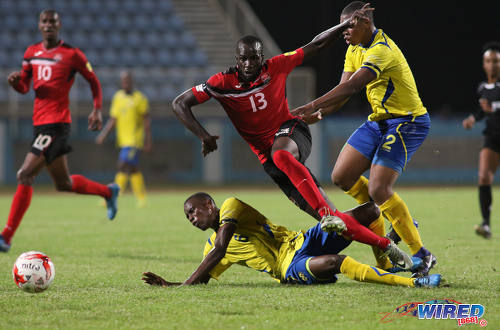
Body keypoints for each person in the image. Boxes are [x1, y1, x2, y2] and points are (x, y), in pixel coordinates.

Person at [171, 5, 412, 269]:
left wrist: (344, 26)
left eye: (255, 58)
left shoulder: (276, 65)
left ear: (263, 57)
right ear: (237, 59)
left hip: (292, 132)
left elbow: (316, 45)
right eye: (245, 59)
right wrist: (203, 135)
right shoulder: (221, 83)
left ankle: (326, 212)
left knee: (283, 154)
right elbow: (180, 103)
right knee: (334, 225)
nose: (250, 64)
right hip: (269, 161)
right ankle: (387, 246)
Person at [291, 1, 435, 276]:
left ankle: (422, 255)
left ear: (366, 23)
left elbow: (354, 85)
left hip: (408, 122)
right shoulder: (354, 48)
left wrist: (310, 105)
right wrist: (320, 112)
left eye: (349, 26)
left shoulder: (382, 50)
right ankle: (394, 218)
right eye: (342, 26)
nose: (343, 31)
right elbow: (343, 92)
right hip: (379, 122)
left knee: (379, 189)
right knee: (341, 177)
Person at [0, 10, 119, 253]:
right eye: (44, 22)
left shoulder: (72, 54)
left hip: (57, 125)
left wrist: (97, 110)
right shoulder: (31, 53)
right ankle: (108, 192)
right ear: (39, 25)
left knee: (25, 174)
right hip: (40, 124)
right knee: (63, 184)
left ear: (59, 25)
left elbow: (93, 81)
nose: (48, 26)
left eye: (52, 22)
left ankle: (6, 236)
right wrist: (15, 84)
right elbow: (24, 86)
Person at [141, 192, 441, 288]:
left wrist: (180, 287)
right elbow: (207, 274)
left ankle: (385, 259)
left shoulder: (230, 206)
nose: (193, 218)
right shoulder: (212, 249)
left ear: (210, 204)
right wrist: (174, 285)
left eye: (194, 210)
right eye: (188, 217)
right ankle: (412, 283)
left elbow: (220, 249)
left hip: (302, 238)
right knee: (334, 263)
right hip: (289, 267)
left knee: (370, 210)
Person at [96, 70, 152, 207]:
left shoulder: (140, 98)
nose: (126, 83)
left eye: (128, 80)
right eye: (124, 81)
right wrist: (103, 134)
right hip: (123, 140)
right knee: (133, 169)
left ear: (132, 82)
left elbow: (146, 121)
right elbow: (113, 119)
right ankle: (142, 198)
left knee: (122, 165)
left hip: (134, 140)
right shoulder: (118, 98)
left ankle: (112, 196)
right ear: (121, 83)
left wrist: (148, 141)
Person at [463, 41, 500, 239]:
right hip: (492, 137)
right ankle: (486, 224)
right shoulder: (482, 88)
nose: (493, 64)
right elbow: (482, 110)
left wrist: (493, 109)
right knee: (484, 176)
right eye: (489, 61)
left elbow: (491, 107)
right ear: (484, 64)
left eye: (496, 61)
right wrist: (473, 119)